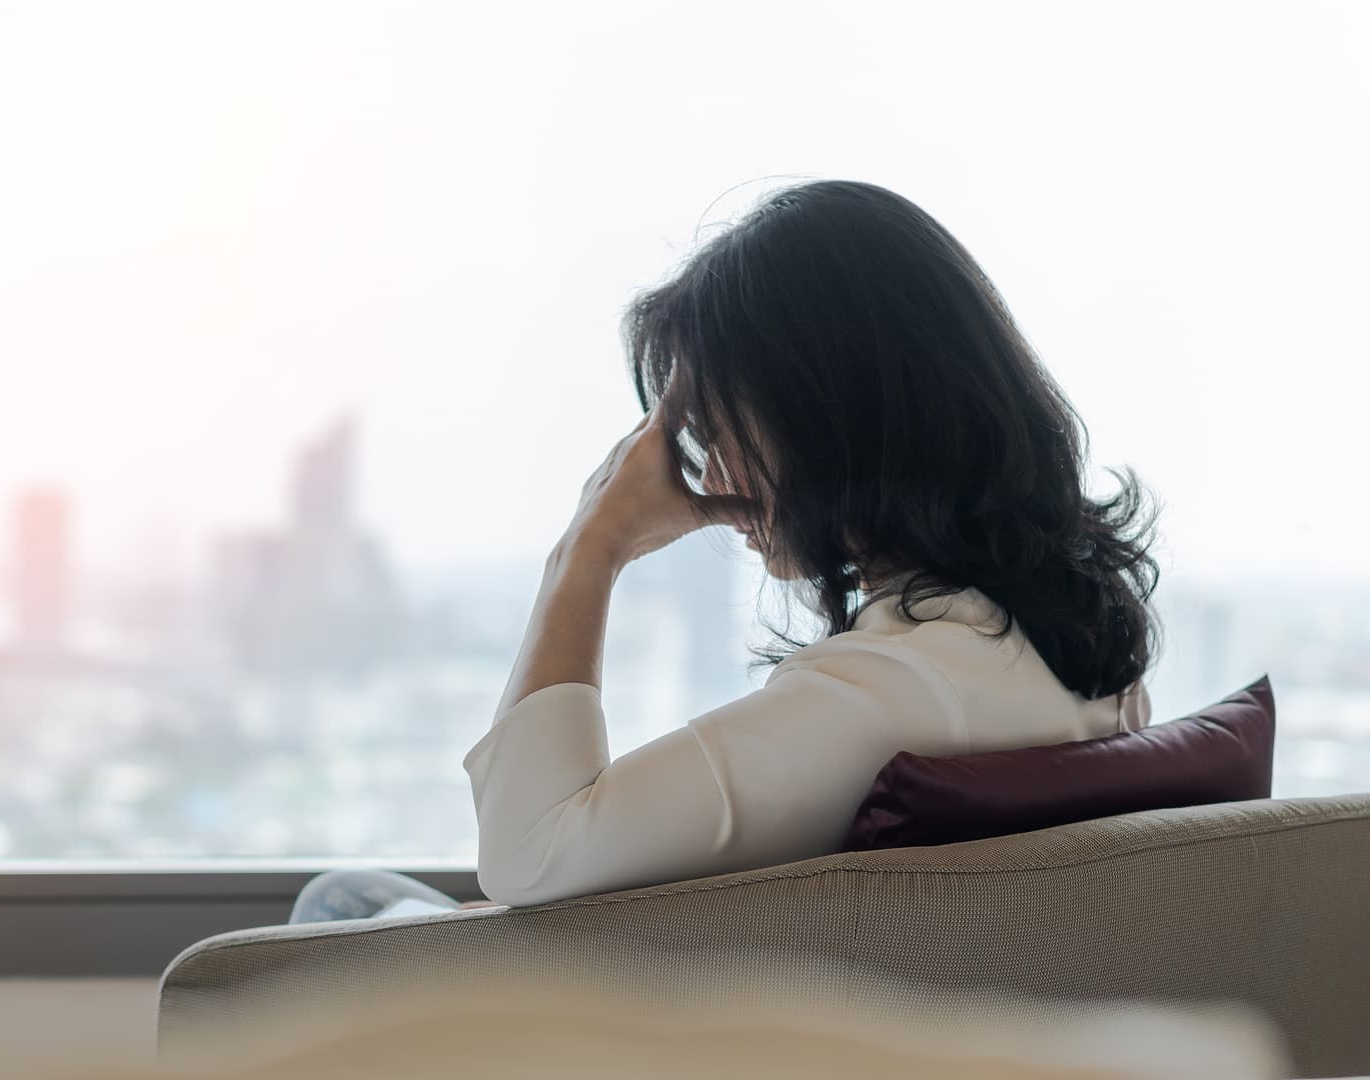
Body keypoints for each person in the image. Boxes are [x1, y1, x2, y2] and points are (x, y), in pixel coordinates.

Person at [292, 179, 1158, 922]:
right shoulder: (1083, 662)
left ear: (827, 416)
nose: (710, 471)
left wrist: (588, 549)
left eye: (717, 423)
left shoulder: (886, 697)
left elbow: (526, 854)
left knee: (343, 903)